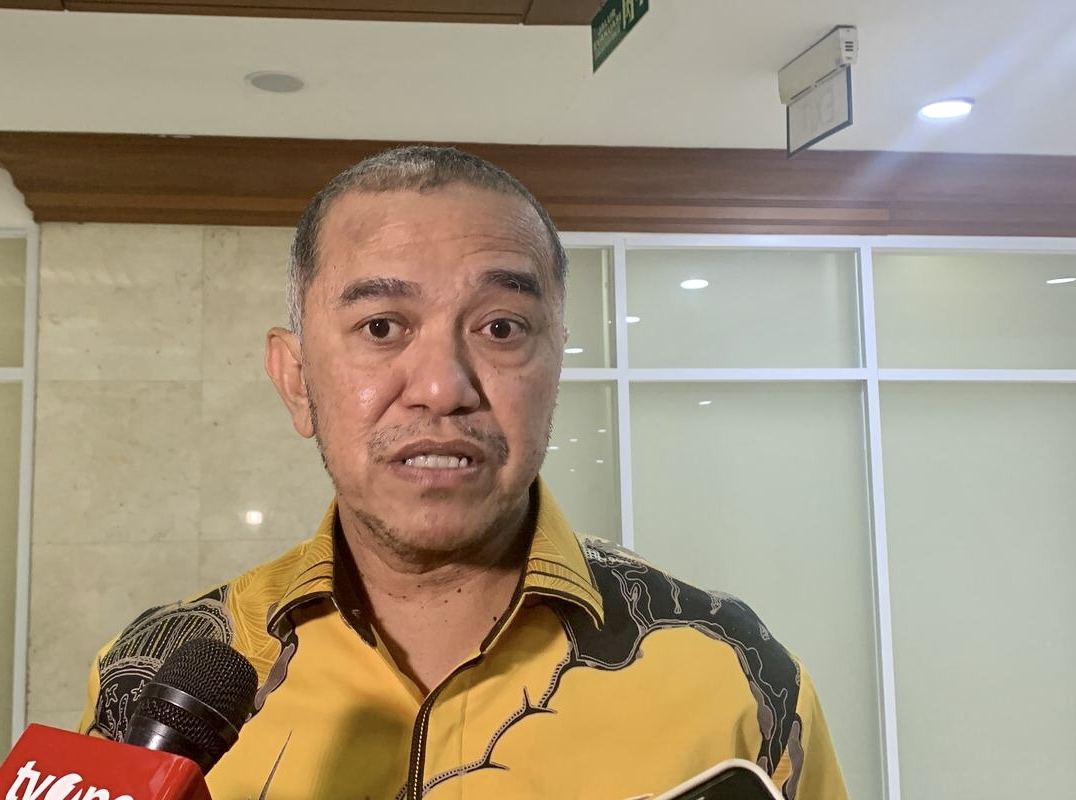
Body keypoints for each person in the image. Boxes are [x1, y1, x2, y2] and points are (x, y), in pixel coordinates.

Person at [79, 145, 848, 800]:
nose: (442, 387)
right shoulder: (153, 674)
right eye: (382, 327)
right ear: (295, 379)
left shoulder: (734, 672)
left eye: (500, 327)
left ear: (554, 366)